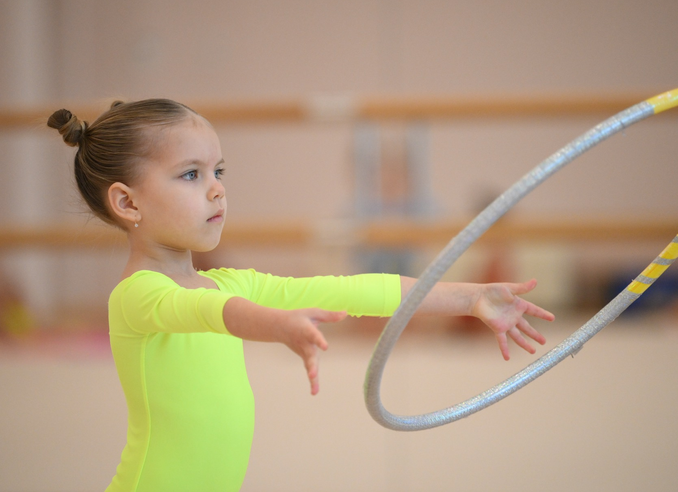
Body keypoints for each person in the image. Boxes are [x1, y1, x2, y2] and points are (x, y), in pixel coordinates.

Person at [48, 100, 554, 492]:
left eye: (219, 172)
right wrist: (276, 325)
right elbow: (211, 312)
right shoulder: (136, 298)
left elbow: (357, 288)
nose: (217, 189)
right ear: (127, 202)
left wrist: (469, 298)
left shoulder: (233, 281)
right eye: (191, 174)